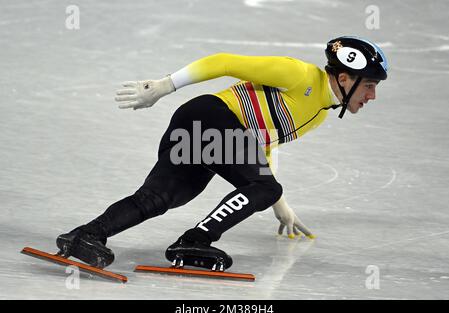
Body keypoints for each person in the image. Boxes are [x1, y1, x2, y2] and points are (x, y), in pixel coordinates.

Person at [56, 36, 388, 270]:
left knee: (162, 197)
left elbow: (260, 144)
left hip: (205, 128)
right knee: (265, 186)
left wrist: (278, 204)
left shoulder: (319, 114)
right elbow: (224, 62)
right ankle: (195, 239)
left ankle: (85, 235)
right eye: (369, 86)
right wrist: (164, 85)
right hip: (210, 117)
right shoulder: (300, 75)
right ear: (344, 78)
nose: (372, 96)